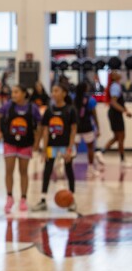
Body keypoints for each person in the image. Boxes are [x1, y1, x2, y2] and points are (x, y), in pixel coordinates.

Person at [0, 84, 42, 213]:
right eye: (13, 92)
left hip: (26, 143)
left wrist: (37, 141)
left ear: (24, 93)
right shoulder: (8, 106)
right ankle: (9, 197)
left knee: (23, 171)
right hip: (9, 142)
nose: (13, 95)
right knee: (9, 170)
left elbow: (40, 125)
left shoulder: (32, 108)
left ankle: (23, 198)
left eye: (16, 92)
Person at [33, 84, 78, 212]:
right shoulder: (49, 110)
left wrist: (70, 148)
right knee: (47, 170)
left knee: (69, 170)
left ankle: (72, 199)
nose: (54, 93)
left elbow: (73, 130)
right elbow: (45, 131)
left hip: (65, 145)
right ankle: (43, 200)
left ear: (64, 93)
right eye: (52, 91)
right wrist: (44, 148)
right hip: (51, 145)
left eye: (57, 90)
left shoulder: (70, 110)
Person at [103, 70, 131, 167]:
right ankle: (122, 160)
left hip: (115, 114)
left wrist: (125, 109)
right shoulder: (115, 86)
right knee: (120, 137)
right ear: (113, 77)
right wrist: (125, 111)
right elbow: (113, 102)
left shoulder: (116, 85)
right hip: (115, 115)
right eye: (116, 72)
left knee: (117, 137)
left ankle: (101, 152)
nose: (119, 73)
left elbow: (120, 102)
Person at [73, 81, 102, 177]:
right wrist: (98, 128)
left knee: (73, 148)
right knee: (90, 147)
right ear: (85, 88)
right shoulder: (90, 100)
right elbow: (94, 115)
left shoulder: (73, 99)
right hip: (87, 127)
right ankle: (90, 169)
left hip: (76, 127)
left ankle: (69, 167)